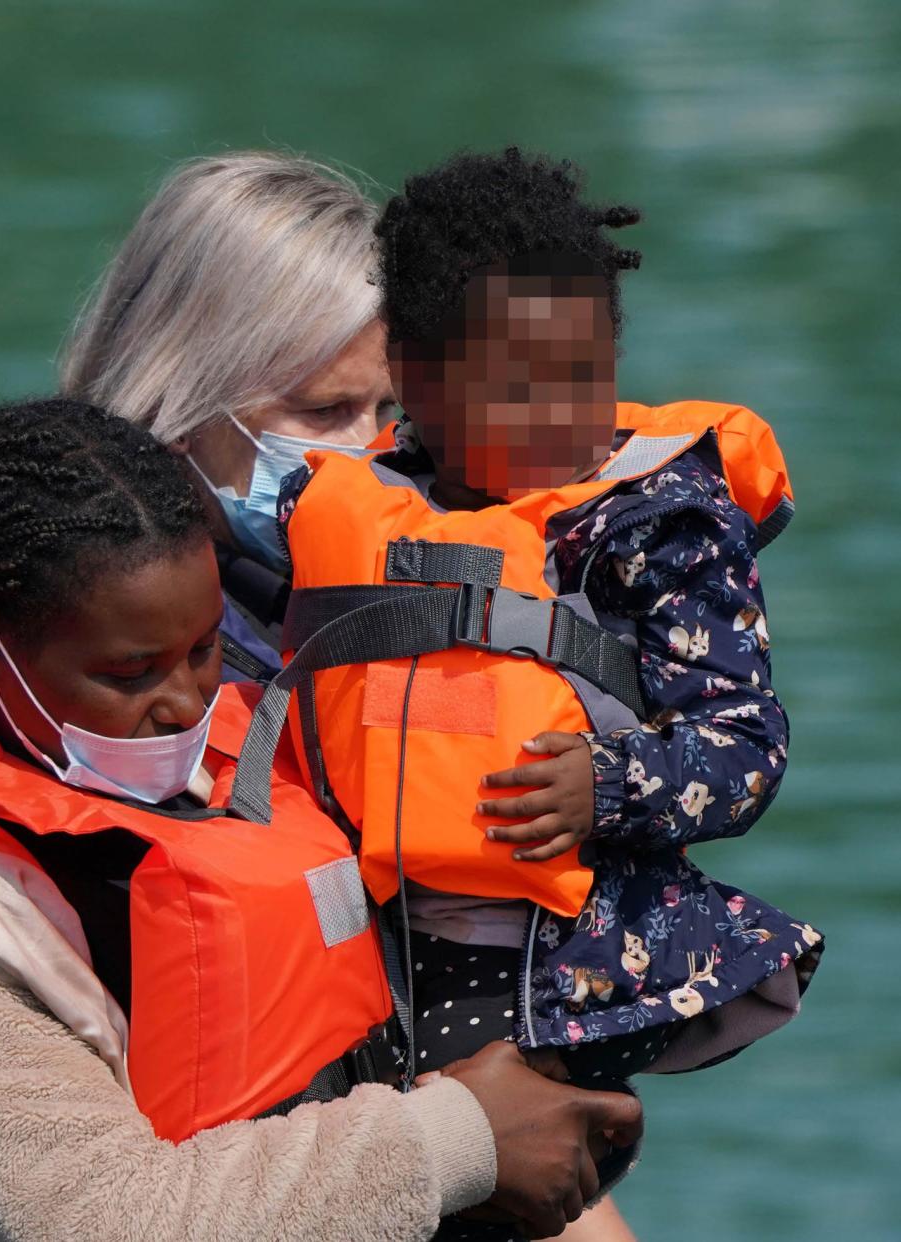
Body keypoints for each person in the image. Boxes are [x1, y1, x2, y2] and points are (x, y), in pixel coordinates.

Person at [0, 398, 642, 1242]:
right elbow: (105, 1223)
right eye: (132, 673)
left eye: (200, 650)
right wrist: (464, 1136)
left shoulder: (231, 771)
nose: (187, 703)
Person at [264, 149, 825, 1234]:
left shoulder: (659, 523)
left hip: (554, 961)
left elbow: (746, 743)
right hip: (368, 942)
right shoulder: (350, 500)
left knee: (470, 1185)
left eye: (588, 374)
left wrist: (609, 784)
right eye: (518, 387)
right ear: (414, 379)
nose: (564, 415)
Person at [59, 151, 398, 680]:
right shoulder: (82, 649)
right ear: (170, 403)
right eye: (324, 409)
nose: (376, 451)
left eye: (388, 410)